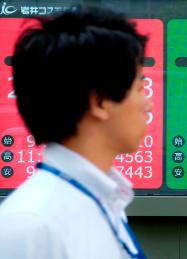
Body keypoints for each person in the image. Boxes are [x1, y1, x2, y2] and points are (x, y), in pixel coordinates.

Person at [0, 6, 151, 259]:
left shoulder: (103, 201)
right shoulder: (32, 227)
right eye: (139, 87)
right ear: (100, 102)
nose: (148, 103)